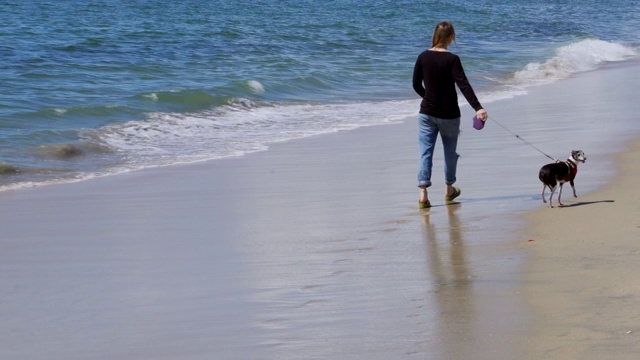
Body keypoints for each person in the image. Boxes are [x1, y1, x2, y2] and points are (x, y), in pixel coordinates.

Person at [412, 21, 487, 209]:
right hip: (450, 115)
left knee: (425, 152)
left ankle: (423, 194)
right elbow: (463, 85)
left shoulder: (422, 56)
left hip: (426, 113)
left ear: (435, 35)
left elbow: (415, 84)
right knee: (449, 153)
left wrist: (428, 98)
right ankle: (449, 189)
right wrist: (478, 107)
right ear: (451, 37)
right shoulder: (452, 59)